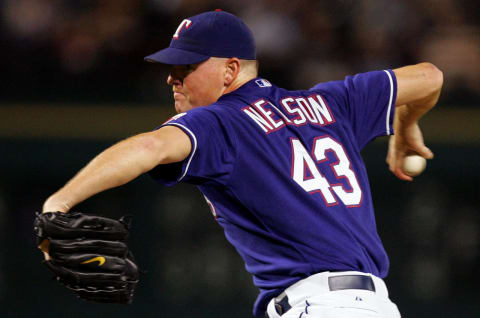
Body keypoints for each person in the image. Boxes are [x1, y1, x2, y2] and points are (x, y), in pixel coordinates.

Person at [42, 10, 443, 318]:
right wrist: (406, 125)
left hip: (317, 307)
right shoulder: (331, 102)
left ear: (230, 70)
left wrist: (58, 204)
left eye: (186, 68)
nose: (172, 80)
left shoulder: (220, 121)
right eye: (171, 70)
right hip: (374, 307)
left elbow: (149, 147)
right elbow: (429, 76)